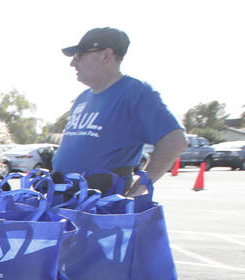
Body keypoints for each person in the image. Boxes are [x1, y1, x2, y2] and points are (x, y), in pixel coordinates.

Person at [53, 27, 185, 196]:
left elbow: (175, 141)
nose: (73, 63)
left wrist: (136, 192)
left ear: (106, 55)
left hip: (98, 209)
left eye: (79, 56)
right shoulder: (83, 98)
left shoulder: (135, 93)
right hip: (63, 200)